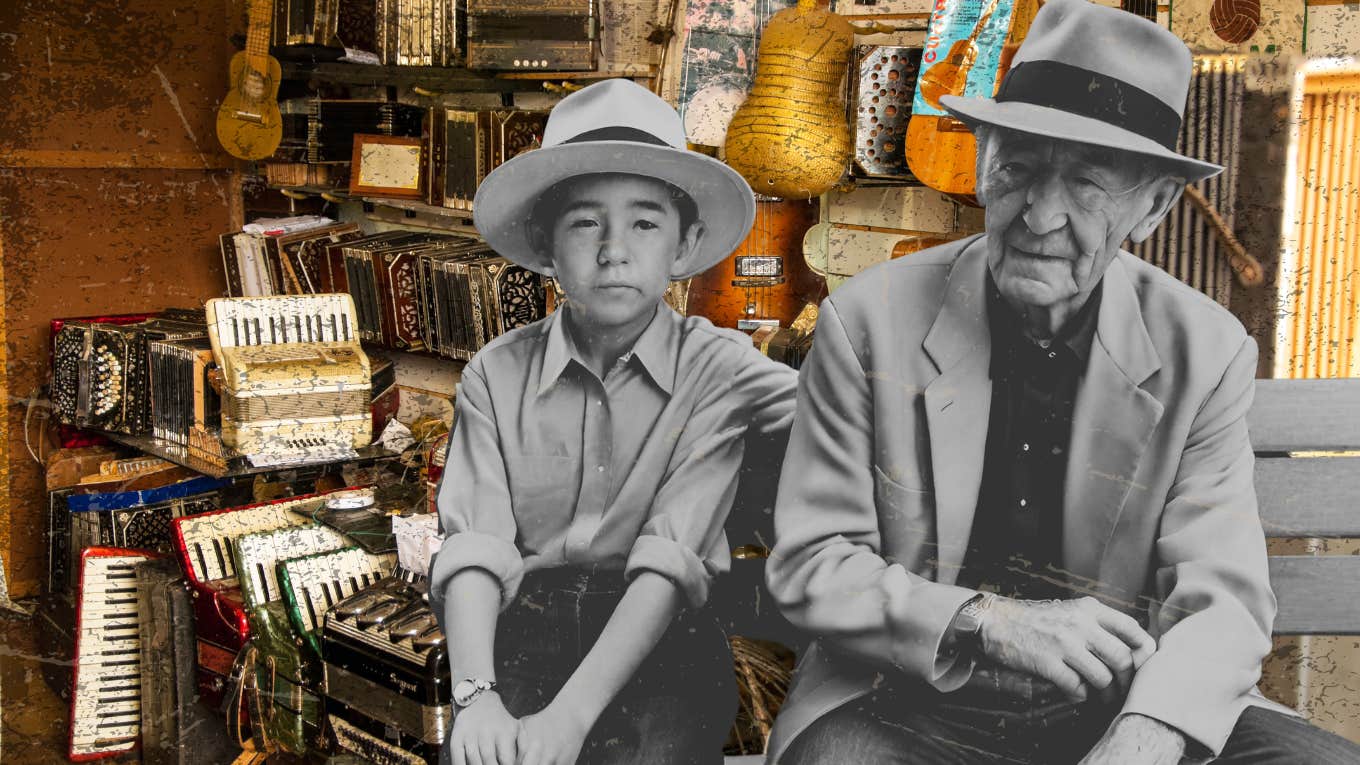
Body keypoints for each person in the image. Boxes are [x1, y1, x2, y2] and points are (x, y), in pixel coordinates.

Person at [763, 1, 1360, 763]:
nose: (1041, 215)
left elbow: (1222, 597)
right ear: (982, 163)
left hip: (1121, 696)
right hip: (913, 692)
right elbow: (815, 564)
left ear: (1152, 204)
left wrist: (1147, 736)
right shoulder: (867, 322)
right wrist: (988, 619)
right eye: (1018, 167)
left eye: (1086, 183)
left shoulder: (1204, 351)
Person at [427, 78, 798, 765]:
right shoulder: (496, 373)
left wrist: (567, 722)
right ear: (546, 243)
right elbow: (476, 548)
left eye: (645, 223)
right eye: (584, 222)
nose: (613, 250)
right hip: (524, 625)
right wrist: (476, 696)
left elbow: (840, 420)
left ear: (685, 245)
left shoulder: (721, 367)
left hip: (665, 632)